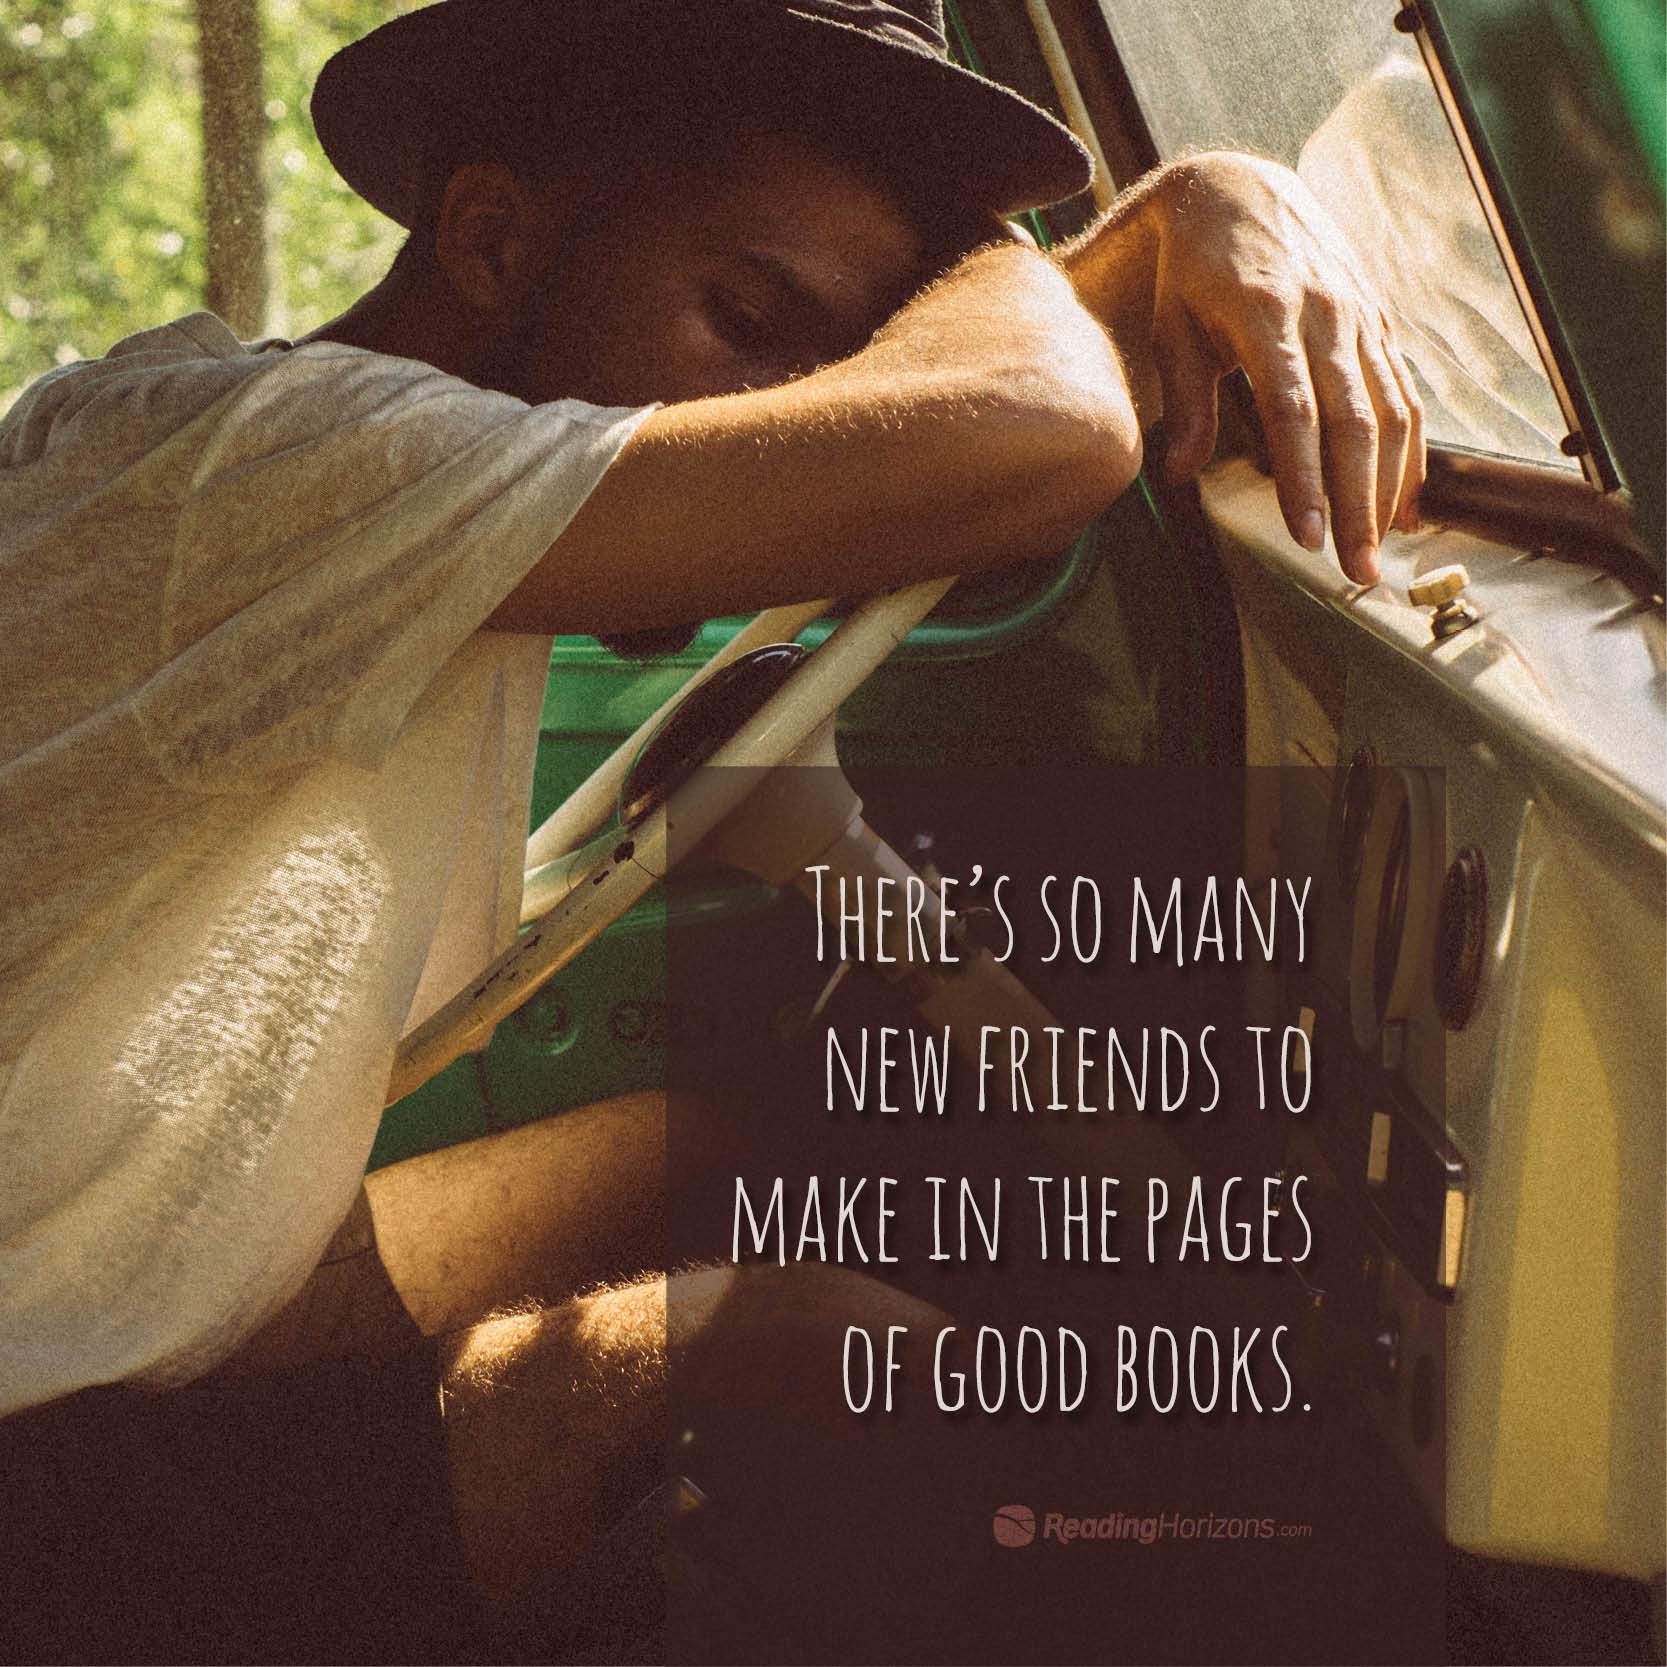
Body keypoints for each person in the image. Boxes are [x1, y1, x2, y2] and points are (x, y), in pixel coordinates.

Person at [0, 0, 1423, 1659]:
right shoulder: (258, 468)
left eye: (843, 358)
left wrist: (1198, 207)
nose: (796, 419)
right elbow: (1039, 430)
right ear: (494, 234)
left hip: (151, 1296)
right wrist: (1176, 204)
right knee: (808, 1356)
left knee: (712, 1146)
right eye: (748, 319)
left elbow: (963, 408)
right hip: (42, 1431)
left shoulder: (403, 515)